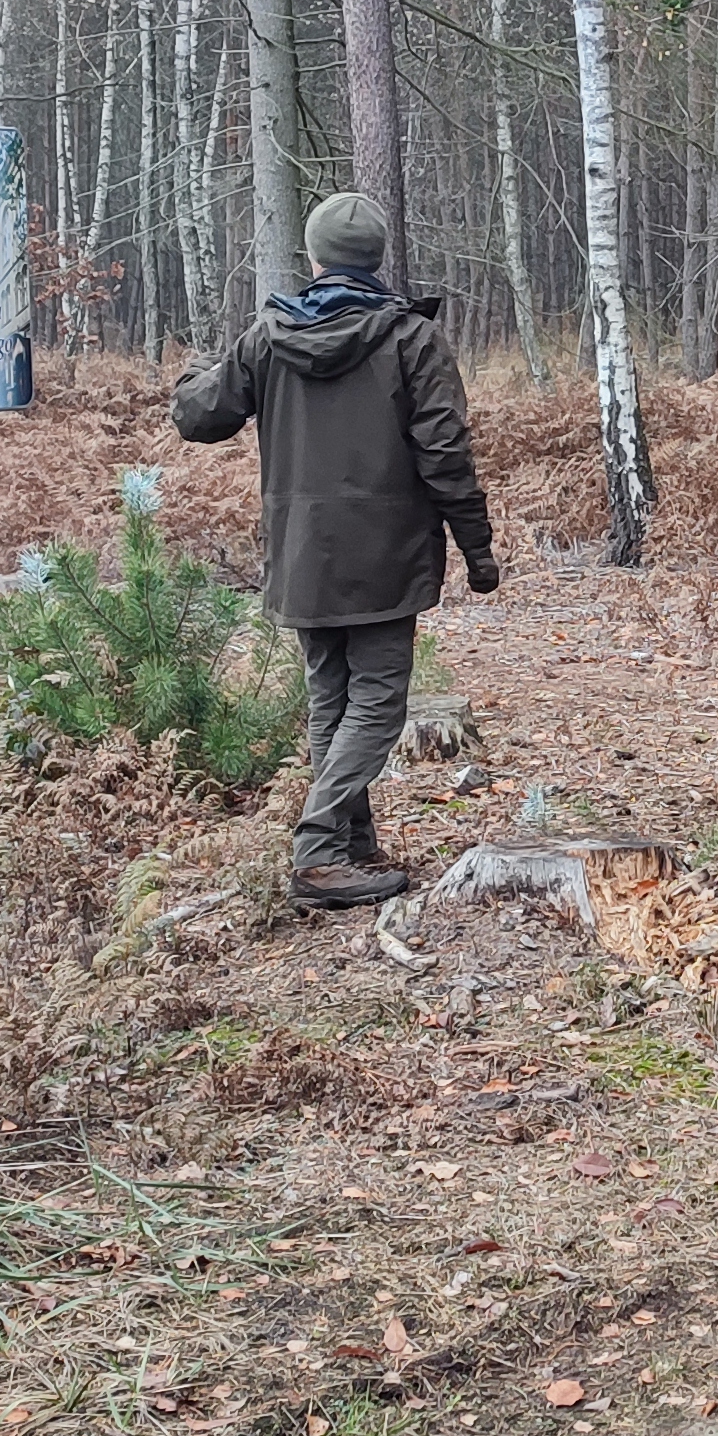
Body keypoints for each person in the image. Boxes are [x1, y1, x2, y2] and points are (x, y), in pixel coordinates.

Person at [171, 191, 499, 907]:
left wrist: (195, 368)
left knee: (332, 697)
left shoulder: (267, 337)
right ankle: (320, 849)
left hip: (301, 554)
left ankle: (351, 847)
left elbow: (199, 415)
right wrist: (478, 550)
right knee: (377, 702)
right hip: (386, 556)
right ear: (376, 260)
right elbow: (446, 453)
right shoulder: (412, 340)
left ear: (316, 258)